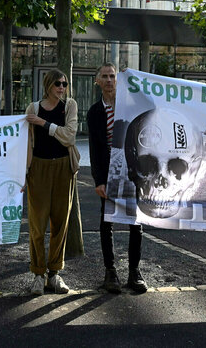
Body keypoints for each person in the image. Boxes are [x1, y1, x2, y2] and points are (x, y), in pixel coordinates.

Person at [87, 63, 147, 294]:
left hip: (133, 172)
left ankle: (134, 272)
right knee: (107, 223)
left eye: (113, 76)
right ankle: (110, 272)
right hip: (108, 171)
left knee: (135, 223)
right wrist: (99, 180)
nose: (110, 80)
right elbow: (94, 148)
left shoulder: (130, 107)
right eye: (105, 76)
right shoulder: (95, 112)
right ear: (98, 82)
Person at [25, 69, 79, 295]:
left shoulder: (70, 106)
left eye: (65, 84)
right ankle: (38, 274)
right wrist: (23, 172)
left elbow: (70, 136)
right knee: (37, 224)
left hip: (63, 168)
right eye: (58, 83)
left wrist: (44, 124)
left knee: (60, 223)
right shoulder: (33, 108)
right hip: (38, 166)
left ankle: (55, 274)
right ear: (48, 85)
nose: (62, 88)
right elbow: (27, 141)